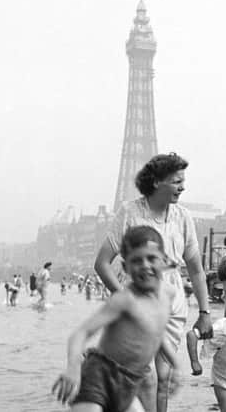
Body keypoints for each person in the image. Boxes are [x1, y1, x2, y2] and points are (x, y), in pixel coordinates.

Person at [94, 153, 212, 412]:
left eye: (183, 181)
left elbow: (196, 269)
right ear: (157, 182)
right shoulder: (130, 212)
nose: (183, 187)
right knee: (144, 375)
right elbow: (102, 263)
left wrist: (204, 312)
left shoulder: (183, 217)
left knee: (163, 378)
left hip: (172, 301)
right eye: (177, 181)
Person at [52, 226, 180, 412]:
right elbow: (81, 332)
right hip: (99, 376)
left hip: (131, 381)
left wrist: (176, 365)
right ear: (125, 267)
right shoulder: (124, 300)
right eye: (136, 261)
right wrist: (73, 367)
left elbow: (156, 333)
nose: (145, 265)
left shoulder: (167, 295)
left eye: (151, 258)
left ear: (164, 260)